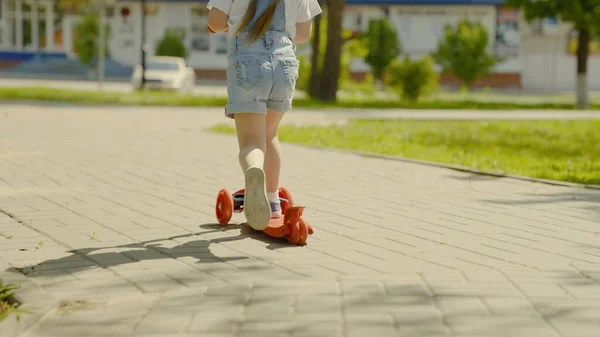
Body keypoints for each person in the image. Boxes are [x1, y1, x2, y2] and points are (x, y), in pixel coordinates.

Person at [207, 0, 322, 230]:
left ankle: (254, 171)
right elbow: (303, 33)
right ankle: (272, 201)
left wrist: (231, 26)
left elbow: (215, 23)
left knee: (252, 142)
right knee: (270, 135)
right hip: (284, 62)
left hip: (247, 60)